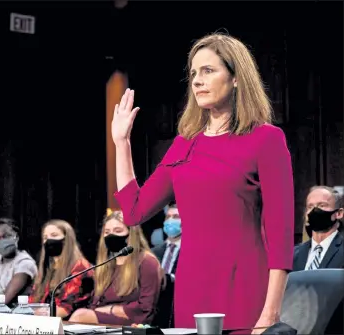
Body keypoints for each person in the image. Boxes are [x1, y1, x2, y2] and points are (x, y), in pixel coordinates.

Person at [112, 33, 294, 333]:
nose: (197, 80)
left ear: (236, 78)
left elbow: (281, 230)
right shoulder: (185, 144)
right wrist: (122, 144)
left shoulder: (266, 140)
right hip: (191, 296)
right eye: (194, 73)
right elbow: (134, 212)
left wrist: (271, 312)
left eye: (208, 71)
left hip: (245, 295)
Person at [69, 211, 162, 326]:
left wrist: (111, 309)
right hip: (103, 322)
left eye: (118, 231)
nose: (111, 236)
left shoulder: (147, 261)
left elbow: (146, 307)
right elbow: (95, 304)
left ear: (131, 234)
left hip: (134, 322)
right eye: (107, 232)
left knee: (80, 316)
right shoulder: (107, 264)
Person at [29, 220, 94, 319]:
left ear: (66, 239)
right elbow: (32, 301)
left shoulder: (80, 267)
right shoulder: (47, 267)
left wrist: (36, 314)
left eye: (54, 235)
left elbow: (66, 309)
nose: (49, 240)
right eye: (45, 238)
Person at [293, 186, 344, 271]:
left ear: (339, 213)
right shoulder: (293, 255)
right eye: (310, 206)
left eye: (322, 205)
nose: (315, 210)